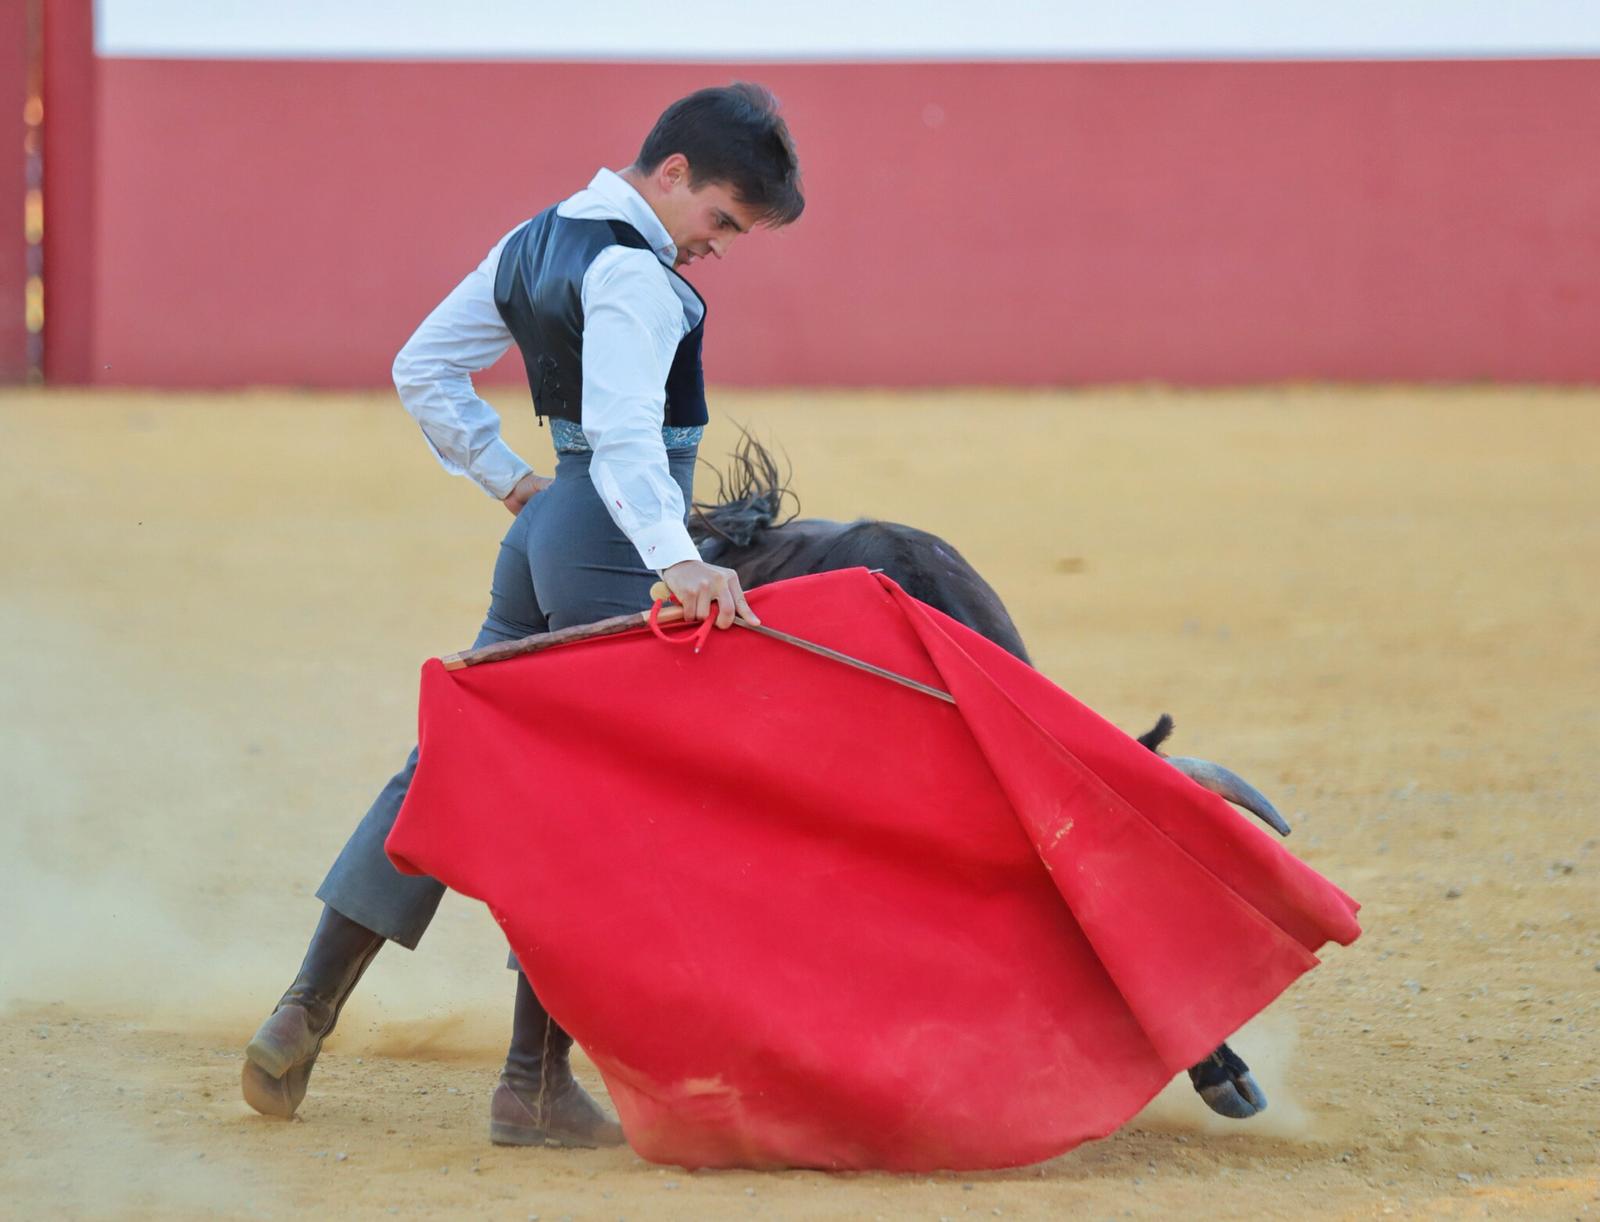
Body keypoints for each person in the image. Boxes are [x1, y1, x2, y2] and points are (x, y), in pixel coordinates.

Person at [240, 83, 804, 1148]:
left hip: (544, 536)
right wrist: (678, 558)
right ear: (672, 171)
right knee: (597, 806)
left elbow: (425, 368)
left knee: (447, 765)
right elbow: (632, 437)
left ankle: (302, 1008)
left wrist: (513, 481)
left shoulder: (537, 236)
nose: (719, 247)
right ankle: (532, 1085)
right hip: (611, 546)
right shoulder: (636, 274)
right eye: (722, 219)